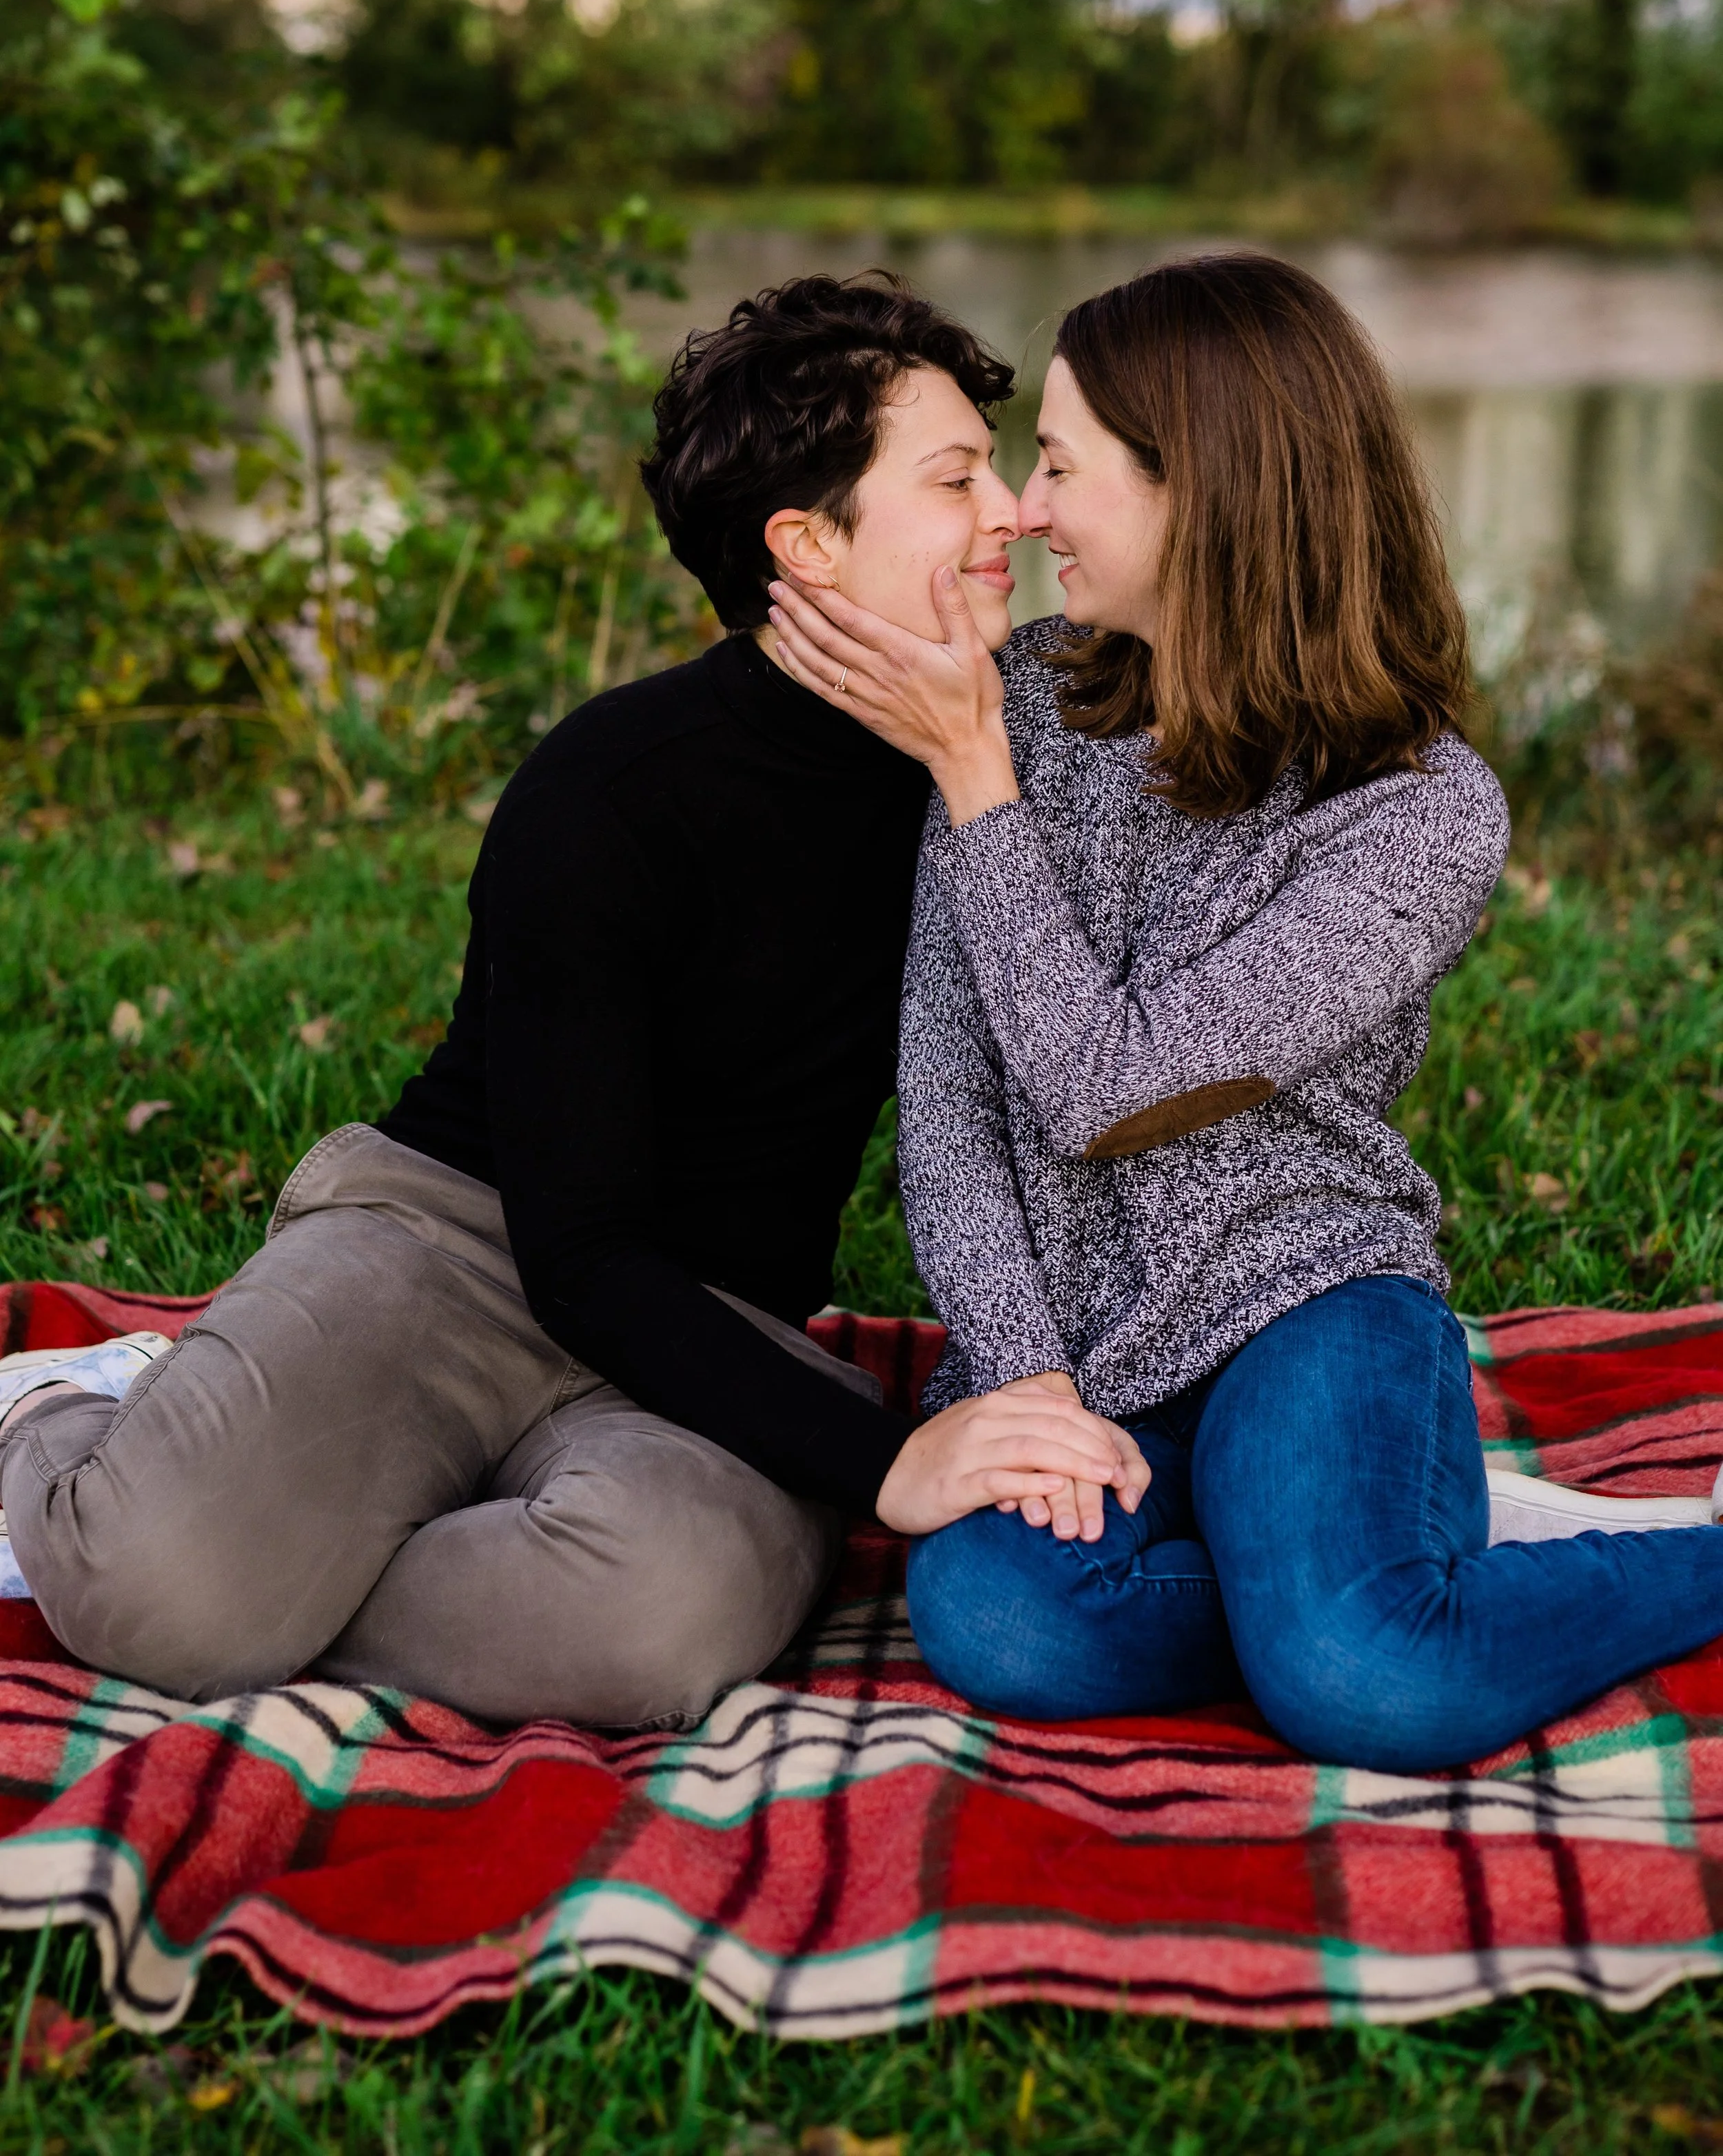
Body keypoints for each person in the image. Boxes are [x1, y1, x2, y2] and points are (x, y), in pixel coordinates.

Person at [0, 274, 1146, 1727]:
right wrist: (880, 1465)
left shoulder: (1018, 757)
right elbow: (581, 1246)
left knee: (660, 1623)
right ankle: (70, 1417)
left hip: (723, 1325)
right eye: (955, 477)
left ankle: (284, 1549)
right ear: (806, 543)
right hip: (456, 1250)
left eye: (1001, 468)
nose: (1013, 513)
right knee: (148, 1588)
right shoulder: (609, 790)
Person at [767, 251, 1723, 1775]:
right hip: (1079, 1340)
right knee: (1002, 1619)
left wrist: (970, 788)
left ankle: (1532, 1570)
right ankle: (1357, 1556)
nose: (1020, 508)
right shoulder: (1014, 703)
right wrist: (1020, 1380)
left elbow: (1110, 1089)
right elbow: (945, 1102)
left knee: (1366, 1684)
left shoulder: (1412, 813)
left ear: (1197, 490)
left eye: (1061, 466)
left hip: (1306, 1297)